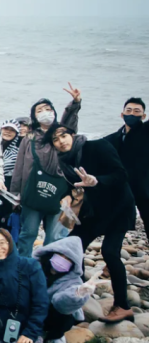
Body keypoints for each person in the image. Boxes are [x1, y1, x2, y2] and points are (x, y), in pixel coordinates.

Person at [49, 123, 135, 323]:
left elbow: (121, 174)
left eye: (63, 136)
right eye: (55, 139)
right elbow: (73, 187)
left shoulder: (98, 146)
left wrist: (97, 180)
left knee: (110, 252)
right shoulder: (64, 161)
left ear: (72, 134)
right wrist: (67, 196)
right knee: (70, 247)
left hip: (119, 208)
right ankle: (72, 294)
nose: (60, 142)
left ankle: (122, 305)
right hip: (95, 211)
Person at [10, 85, 82, 256]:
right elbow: (19, 166)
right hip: (32, 192)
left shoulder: (61, 134)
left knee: (56, 236)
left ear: (55, 112)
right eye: (39, 110)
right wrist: (15, 194)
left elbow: (70, 121)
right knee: (28, 233)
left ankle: (50, 271)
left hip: (61, 194)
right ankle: (23, 267)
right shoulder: (30, 137)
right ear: (34, 116)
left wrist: (75, 103)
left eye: (48, 109)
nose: (44, 112)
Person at [34, 237, 97, 343]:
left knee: (65, 313)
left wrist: (77, 293)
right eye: (61, 256)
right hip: (31, 310)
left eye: (68, 259)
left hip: (51, 314)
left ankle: (56, 336)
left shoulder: (73, 280)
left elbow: (61, 303)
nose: (63, 260)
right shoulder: (35, 266)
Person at [106, 97, 149, 226]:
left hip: (145, 189)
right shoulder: (113, 139)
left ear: (143, 116)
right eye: (128, 110)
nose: (132, 114)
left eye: (137, 111)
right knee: (117, 226)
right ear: (122, 114)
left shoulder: (146, 131)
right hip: (122, 189)